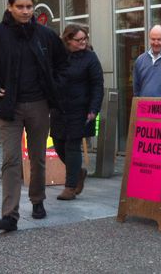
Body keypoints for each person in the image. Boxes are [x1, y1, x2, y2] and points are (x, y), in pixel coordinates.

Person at [0, 0, 68, 232]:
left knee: (37, 158)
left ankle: (37, 201)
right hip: (9, 107)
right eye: (20, 7)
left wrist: (53, 87)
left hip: (38, 105)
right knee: (10, 160)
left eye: (29, 7)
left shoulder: (45, 35)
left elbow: (64, 64)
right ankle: (10, 215)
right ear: (9, 7)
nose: (25, 11)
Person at [50, 24, 104, 201]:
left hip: (80, 109)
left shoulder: (90, 58)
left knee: (72, 146)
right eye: (78, 40)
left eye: (85, 39)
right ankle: (78, 172)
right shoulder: (59, 57)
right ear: (68, 40)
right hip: (59, 108)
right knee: (58, 144)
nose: (83, 42)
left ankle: (70, 187)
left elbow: (97, 85)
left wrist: (94, 109)